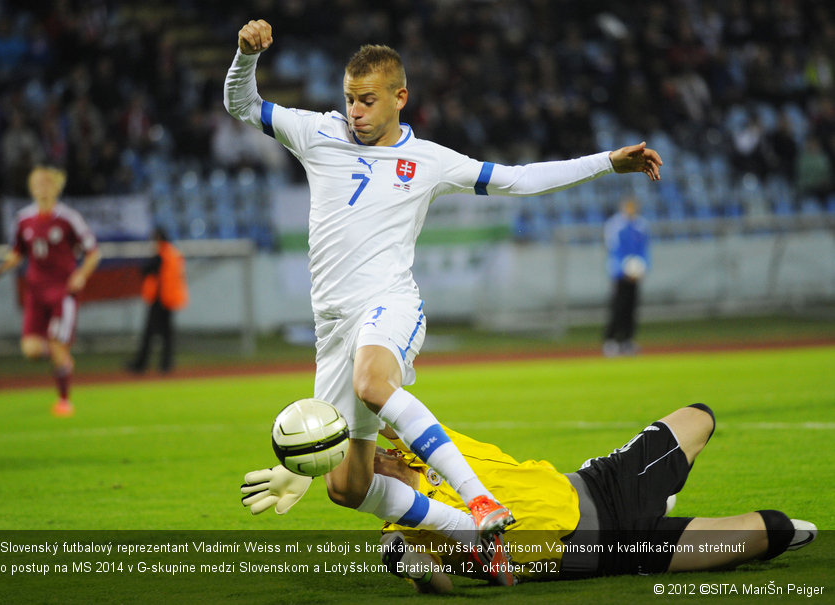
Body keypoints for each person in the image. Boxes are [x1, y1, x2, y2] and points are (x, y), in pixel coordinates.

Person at [226, 19, 663, 584]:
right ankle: (463, 529)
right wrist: (244, 55)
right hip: (332, 327)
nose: (354, 111)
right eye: (349, 100)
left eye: (367, 100)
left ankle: (479, 500)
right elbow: (243, 104)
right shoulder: (318, 133)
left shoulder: (428, 160)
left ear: (399, 97)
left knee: (372, 383)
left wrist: (606, 161)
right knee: (346, 486)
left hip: (389, 304)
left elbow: (518, 180)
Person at [241, 403, 817, 594]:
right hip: (602, 553)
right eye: (363, 462)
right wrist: (411, 568)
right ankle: (664, 511)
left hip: (599, 484)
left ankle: (657, 498)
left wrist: (307, 455)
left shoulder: (426, 446)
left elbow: (369, 402)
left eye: (369, 449)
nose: (377, 457)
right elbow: (433, 580)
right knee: (766, 532)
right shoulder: (403, 530)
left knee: (699, 417)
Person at [0, 165, 101, 416]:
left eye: (48, 182)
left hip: (63, 291)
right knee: (30, 349)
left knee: (56, 343)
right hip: (35, 291)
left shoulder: (68, 218)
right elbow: (17, 252)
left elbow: (93, 252)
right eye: (38, 182)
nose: (43, 186)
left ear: (56, 186)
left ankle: (64, 400)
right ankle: (63, 361)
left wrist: (81, 274)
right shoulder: (23, 219)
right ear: (31, 186)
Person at [126, 227, 189, 374]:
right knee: (167, 334)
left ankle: (141, 364)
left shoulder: (162, 254)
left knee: (150, 333)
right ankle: (165, 364)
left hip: (160, 299)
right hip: (170, 298)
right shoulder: (173, 253)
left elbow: (146, 270)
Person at [603, 197, 650, 357]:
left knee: (632, 308)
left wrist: (642, 267)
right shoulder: (615, 226)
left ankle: (627, 340)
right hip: (620, 274)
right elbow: (614, 250)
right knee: (618, 307)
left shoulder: (641, 225)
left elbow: (644, 250)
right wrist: (622, 270)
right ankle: (611, 341)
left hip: (635, 275)